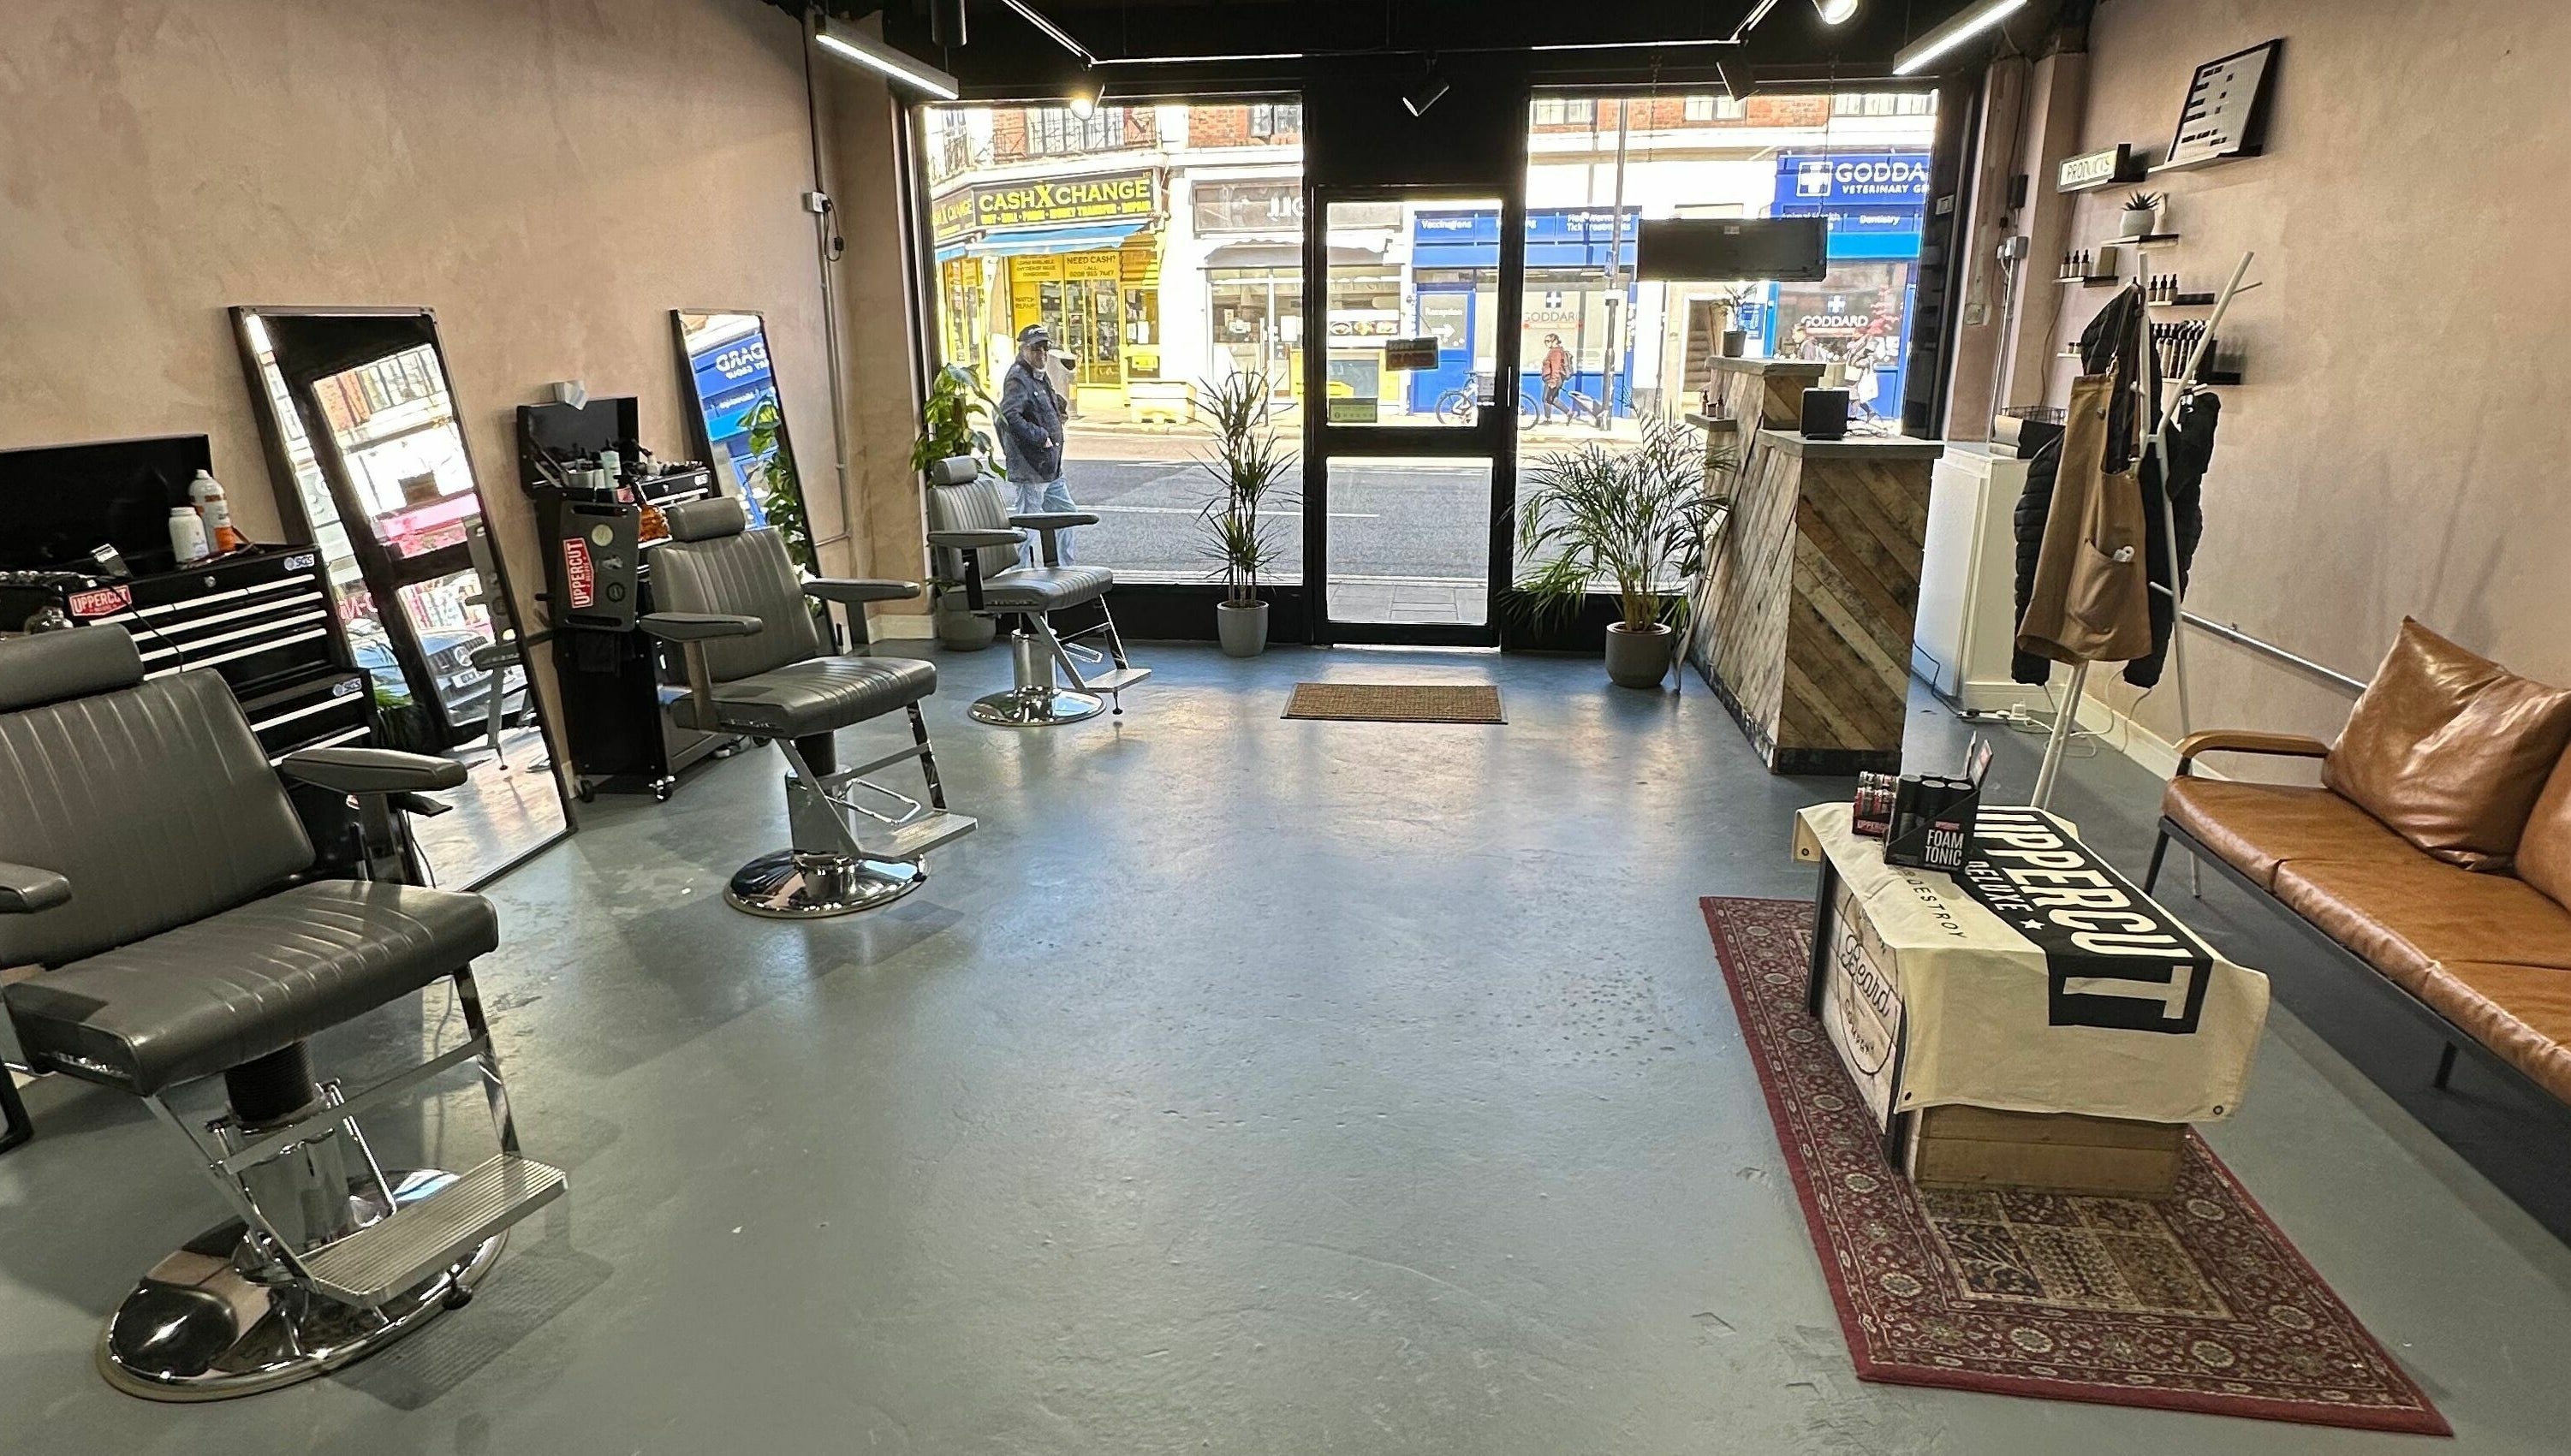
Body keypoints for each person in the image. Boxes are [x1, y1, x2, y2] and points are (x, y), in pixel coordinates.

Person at [998, 324, 1076, 565]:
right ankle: (1018, 574)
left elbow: (1043, 403)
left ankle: (1066, 568)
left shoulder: (1038, 375)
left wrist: (1059, 410)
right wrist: (1040, 436)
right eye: (1035, 348)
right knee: (1028, 525)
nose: (1041, 353)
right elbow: (1010, 416)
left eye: (1045, 347)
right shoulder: (1018, 378)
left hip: (1050, 467)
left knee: (1066, 515)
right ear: (1023, 349)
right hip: (1031, 466)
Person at [1538, 333, 1572, 425]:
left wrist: (1553, 381)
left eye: (1548, 341)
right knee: (1553, 399)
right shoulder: (1557, 351)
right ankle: (1569, 413)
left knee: (1546, 399)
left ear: (1555, 341)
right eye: (1545, 341)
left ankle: (1548, 420)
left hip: (1553, 379)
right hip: (1557, 379)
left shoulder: (1555, 352)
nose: (1546, 343)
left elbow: (1556, 367)